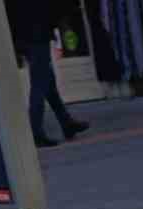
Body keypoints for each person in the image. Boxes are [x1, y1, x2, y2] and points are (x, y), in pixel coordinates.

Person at [5, 0, 88, 147]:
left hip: (24, 33)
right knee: (40, 83)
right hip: (36, 32)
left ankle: (66, 122)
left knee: (47, 81)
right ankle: (36, 131)